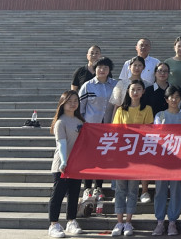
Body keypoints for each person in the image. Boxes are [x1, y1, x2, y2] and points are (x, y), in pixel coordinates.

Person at [112, 80, 154, 236]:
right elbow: (116, 131)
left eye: (138, 89)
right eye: (132, 89)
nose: (135, 92)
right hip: (122, 155)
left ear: (143, 92)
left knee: (133, 189)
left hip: (138, 154)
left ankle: (128, 221)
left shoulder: (147, 109)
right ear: (128, 92)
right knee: (120, 189)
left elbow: (149, 130)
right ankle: (119, 222)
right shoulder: (121, 110)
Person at [153, 86, 181, 236]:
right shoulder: (160, 115)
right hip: (162, 159)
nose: (174, 100)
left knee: (176, 190)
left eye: (177, 97)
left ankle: (172, 222)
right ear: (166, 99)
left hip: (179, 159)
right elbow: (158, 135)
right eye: (171, 97)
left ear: (180, 98)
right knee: (160, 190)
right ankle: (160, 222)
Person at [78, 57, 117, 200]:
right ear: (95, 69)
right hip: (91, 127)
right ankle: (87, 187)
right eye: (100, 67)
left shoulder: (115, 85)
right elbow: (80, 108)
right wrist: (83, 125)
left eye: (105, 67)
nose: (102, 70)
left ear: (109, 70)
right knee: (89, 158)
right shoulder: (88, 86)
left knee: (102, 157)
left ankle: (99, 186)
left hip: (108, 128)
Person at [47, 91, 85, 238]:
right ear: (62, 103)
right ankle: (54, 224)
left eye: (75, 100)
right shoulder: (60, 122)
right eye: (69, 101)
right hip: (61, 165)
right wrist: (64, 161)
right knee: (58, 195)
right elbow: (61, 144)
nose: (73, 103)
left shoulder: (80, 121)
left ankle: (71, 221)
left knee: (74, 194)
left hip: (76, 165)